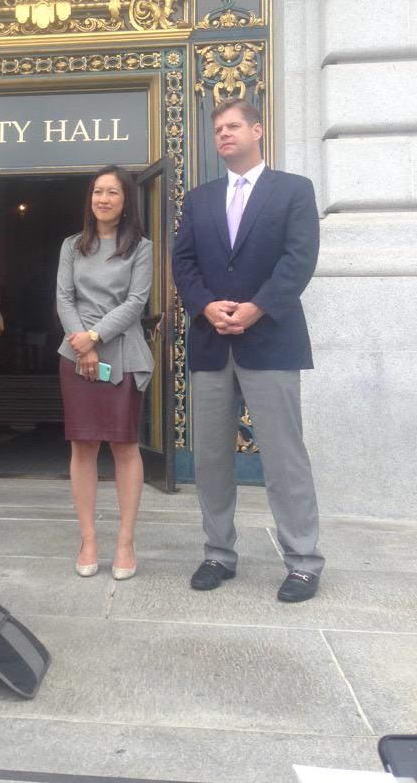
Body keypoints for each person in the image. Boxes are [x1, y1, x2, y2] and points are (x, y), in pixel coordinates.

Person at [172, 99, 324, 603]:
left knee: (284, 457)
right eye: (218, 128)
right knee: (212, 459)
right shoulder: (199, 199)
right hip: (212, 342)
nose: (223, 133)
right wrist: (205, 305)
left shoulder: (294, 190)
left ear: (258, 130)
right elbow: (183, 262)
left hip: (272, 341)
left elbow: (299, 259)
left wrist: (258, 307)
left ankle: (302, 561)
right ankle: (218, 553)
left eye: (233, 125)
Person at [56, 165, 154, 581]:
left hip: (122, 353)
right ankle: (89, 539)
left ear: (126, 200)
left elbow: (136, 302)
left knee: (124, 446)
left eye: (113, 192)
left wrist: (95, 336)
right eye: (98, 191)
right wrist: (82, 343)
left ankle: (125, 542)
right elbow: (64, 298)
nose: (104, 199)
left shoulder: (141, 248)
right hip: (75, 353)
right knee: (83, 447)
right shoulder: (72, 246)